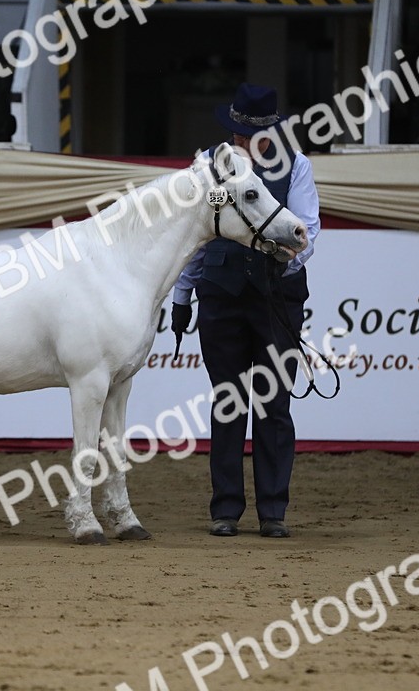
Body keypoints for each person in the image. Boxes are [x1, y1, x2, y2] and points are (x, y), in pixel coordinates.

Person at [171, 83, 321, 538]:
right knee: (228, 400)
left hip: (276, 298)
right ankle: (226, 508)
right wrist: (182, 294)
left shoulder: (297, 166)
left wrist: (278, 262)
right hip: (221, 293)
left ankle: (273, 511)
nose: (240, 142)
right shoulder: (208, 167)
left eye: (248, 135)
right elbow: (199, 232)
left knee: (274, 404)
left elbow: (306, 232)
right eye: (237, 133)